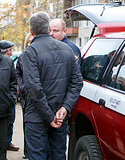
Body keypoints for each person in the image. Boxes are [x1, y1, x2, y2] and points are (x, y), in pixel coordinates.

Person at [22, 12, 83, 160]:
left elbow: (34, 88)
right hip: (58, 116)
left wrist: (57, 113)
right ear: (49, 29)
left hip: (39, 118)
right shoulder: (67, 49)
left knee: (38, 157)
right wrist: (64, 108)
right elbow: (77, 83)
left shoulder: (31, 51)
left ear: (31, 31)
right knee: (58, 156)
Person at [0, 40, 19, 153]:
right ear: (7, 50)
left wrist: (13, 96)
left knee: (10, 121)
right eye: (11, 49)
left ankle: (7, 142)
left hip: (9, 98)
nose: (12, 51)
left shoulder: (10, 62)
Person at [15, 32, 34, 159]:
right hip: (26, 98)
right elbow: (18, 74)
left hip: (39, 95)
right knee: (27, 125)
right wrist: (22, 86)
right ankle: (27, 151)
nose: (31, 43)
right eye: (29, 41)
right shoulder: (22, 57)